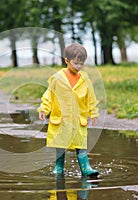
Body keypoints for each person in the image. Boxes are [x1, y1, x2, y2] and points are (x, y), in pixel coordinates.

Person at [37, 43, 99, 177]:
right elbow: (49, 95)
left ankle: (85, 168)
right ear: (66, 61)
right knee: (61, 144)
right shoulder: (57, 78)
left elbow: (91, 97)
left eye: (81, 64)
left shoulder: (85, 79)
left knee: (81, 144)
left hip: (78, 120)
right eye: (76, 63)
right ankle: (59, 167)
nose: (79, 67)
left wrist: (93, 113)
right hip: (62, 120)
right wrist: (44, 109)